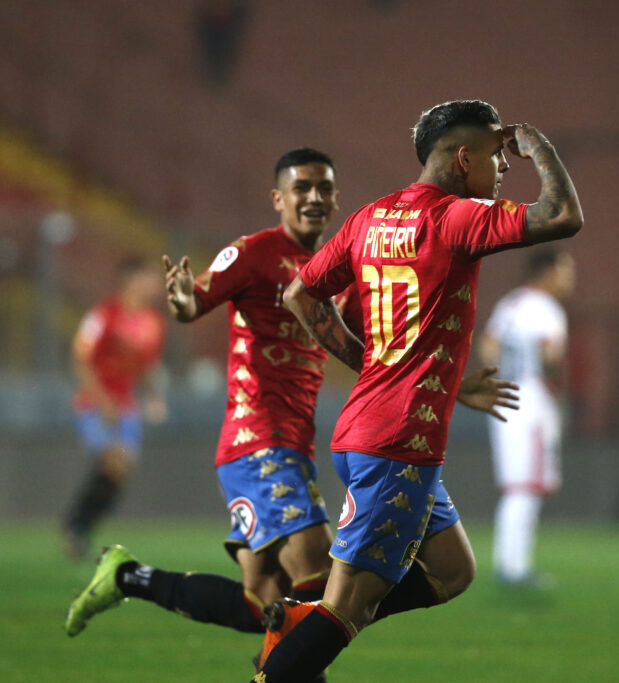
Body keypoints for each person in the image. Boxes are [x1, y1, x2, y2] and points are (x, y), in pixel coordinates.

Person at [64, 149, 518, 679]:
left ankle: (127, 577)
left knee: (263, 604)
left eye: (323, 188)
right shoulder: (254, 254)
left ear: (336, 198)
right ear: (278, 199)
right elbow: (194, 302)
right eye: (300, 188)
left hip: (295, 444)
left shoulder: (339, 268)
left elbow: (385, 347)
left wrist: (447, 383)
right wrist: (185, 300)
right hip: (256, 438)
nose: (313, 198)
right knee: (317, 573)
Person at [252, 99, 583, 681]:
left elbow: (300, 295)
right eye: (496, 155)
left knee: (453, 571)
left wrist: (375, 367)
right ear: (462, 158)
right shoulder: (455, 218)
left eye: (511, 155)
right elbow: (561, 215)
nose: (504, 167)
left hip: (377, 432)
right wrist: (540, 148)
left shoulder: (369, 218)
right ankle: (287, 654)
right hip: (395, 445)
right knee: (345, 609)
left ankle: (303, 622)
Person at [478, 248, 574, 586]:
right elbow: (550, 357)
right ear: (547, 272)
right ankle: (514, 567)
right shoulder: (547, 310)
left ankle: (511, 563)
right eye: (566, 269)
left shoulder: (511, 303)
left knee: (517, 484)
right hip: (530, 399)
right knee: (525, 486)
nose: (570, 277)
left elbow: (487, 346)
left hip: (504, 397)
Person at [62, 256, 167, 559]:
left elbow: (146, 368)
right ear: (132, 280)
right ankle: (75, 526)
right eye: (150, 278)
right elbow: (81, 357)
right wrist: (102, 400)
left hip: (126, 407)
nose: (156, 285)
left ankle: (79, 527)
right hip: (94, 404)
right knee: (113, 462)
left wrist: (153, 396)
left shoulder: (153, 323)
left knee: (119, 473)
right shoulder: (104, 314)